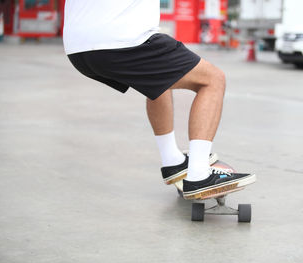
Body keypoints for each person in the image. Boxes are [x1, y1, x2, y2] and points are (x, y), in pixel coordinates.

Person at [63, 0, 255, 199]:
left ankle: (172, 160)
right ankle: (199, 175)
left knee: (160, 78)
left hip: (77, 47)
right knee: (213, 80)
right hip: (122, 39)